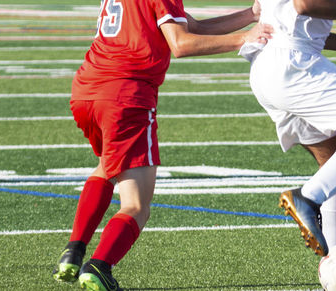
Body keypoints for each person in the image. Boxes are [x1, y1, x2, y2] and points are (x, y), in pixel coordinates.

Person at [51, 1, 272, 290]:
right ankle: (100, 266)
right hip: (124, 94)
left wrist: (250, 15)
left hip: (87, 88)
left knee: (108, 166)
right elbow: (180, 43)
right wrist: (244, 37)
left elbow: (191, 25)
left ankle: (73, 252)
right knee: (137, 205)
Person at [238, 0, 336, 283]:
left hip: (272, 64)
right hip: (292, 65)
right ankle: (307, 198)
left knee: (334, 162)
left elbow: (294, 22)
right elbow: (305, 4)